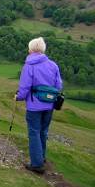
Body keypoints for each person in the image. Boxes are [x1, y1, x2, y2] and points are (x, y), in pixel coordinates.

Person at [15, 37, 63, 174]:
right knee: (43, 131)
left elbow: (24, 88)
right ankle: (41, 157)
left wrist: (18, 97)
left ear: (31, 49)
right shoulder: (53, 65)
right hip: (49, 105)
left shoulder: (29, 66)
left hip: (34, 106)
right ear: (42, 49)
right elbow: (58, 85)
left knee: (34, 132)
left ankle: (36, 164)